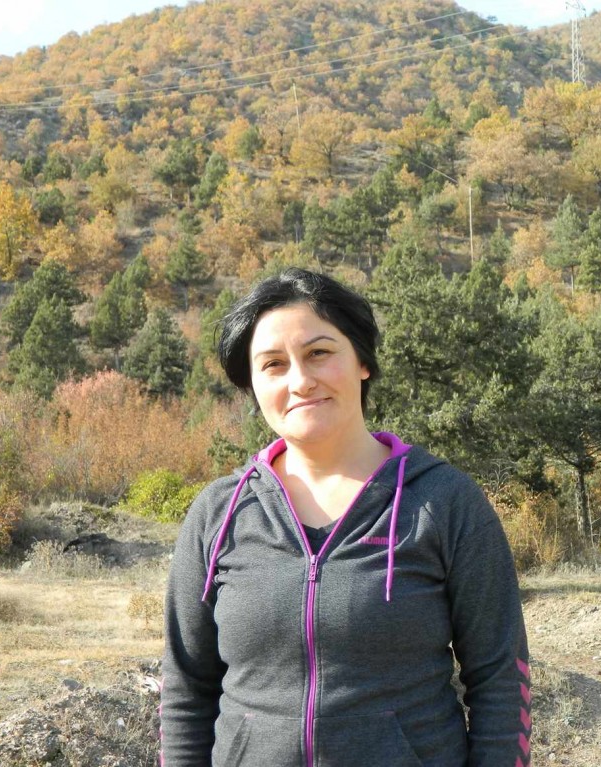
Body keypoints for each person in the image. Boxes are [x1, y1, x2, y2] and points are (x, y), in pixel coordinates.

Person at [160, 268, 531, 767]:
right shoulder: (219, 513)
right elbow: (186, 689)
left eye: (319, 353)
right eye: (273, 364)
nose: (300, 381)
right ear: (253, 386)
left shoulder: (444, 502)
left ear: (362, 362)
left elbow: (500, 680)